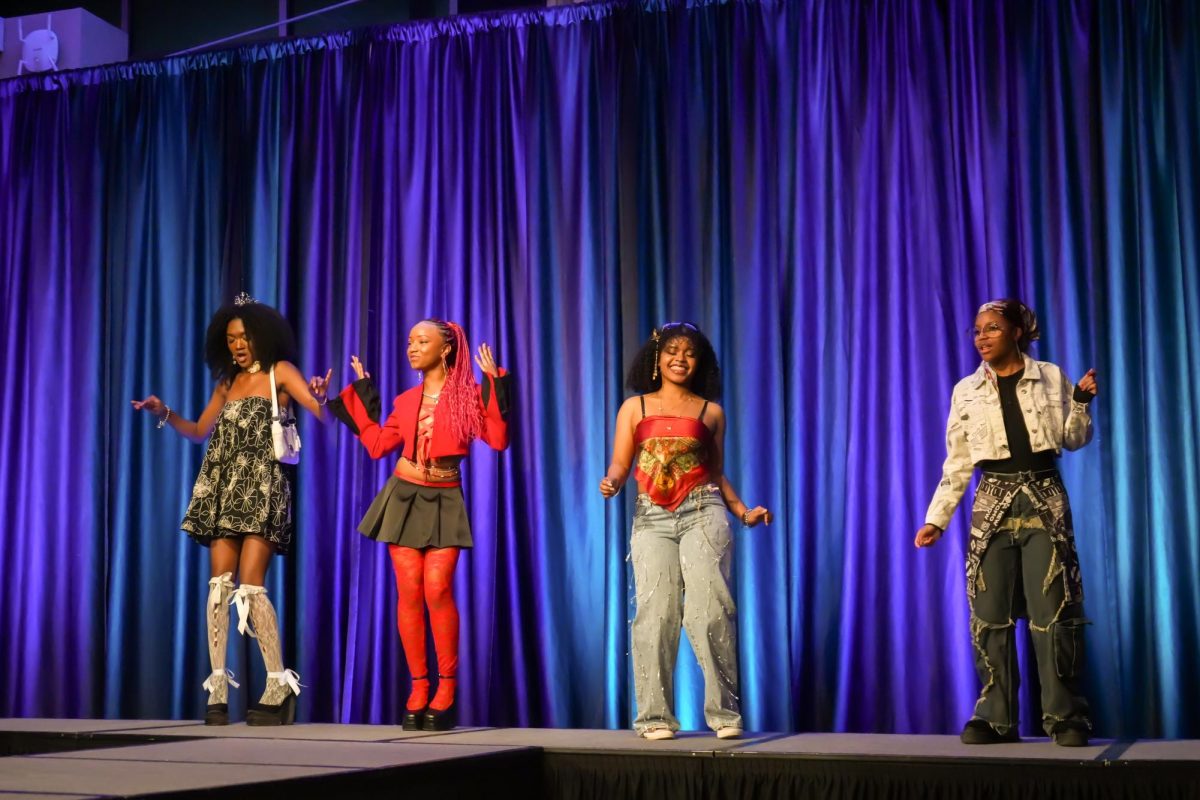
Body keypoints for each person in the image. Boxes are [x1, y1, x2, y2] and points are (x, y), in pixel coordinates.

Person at [132, 293, 332, 726]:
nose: (238, 346)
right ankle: (218, 686)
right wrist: (163, 411)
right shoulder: (226, 384)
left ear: (261, 337)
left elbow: (322, 413)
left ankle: (278, 683)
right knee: (218, 587)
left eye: (244, 337)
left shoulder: (281, 373)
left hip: (261, 487)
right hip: (223, 486)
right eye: (230, 339)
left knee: (251, 586)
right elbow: (200, 431)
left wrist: (322, 396)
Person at [915, 299, 1098, 747]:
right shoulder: (966, 391)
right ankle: (996, 717)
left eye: (992, 328)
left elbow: (1073, 441)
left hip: (1043, 498)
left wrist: (1080, 404)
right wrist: (936, 520)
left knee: (1053, 611)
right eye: (977, 330)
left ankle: (1065, 716)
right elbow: (957, 463)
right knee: (990, 614)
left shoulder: (1049, 376)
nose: (982, 337)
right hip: (992, 500)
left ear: (1017, 331)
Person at [328, 319, 510, 731]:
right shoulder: (406, 400)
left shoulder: (467, 398)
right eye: (409, 341)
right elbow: (377, 445)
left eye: (421, 341)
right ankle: (419, 684)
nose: (411, 348)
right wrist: (362, 393)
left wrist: (495, 383)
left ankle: (446, 685)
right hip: (404, 495)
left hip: (445, 496)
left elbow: (498, 440)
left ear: (445, 349)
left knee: (438, 588)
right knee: (409, 591)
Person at [599, 322, 771, 740]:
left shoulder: (710, 412)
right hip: (651, 517)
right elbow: (622, 461)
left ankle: (725, 715)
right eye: (672, 351)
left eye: (689, 352)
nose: (680, 358)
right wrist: (613, 480)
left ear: (700, 363)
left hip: (703, 510)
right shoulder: (634, 407)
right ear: (656, 358)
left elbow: (715, 472)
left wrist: (743, 510)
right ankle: (655, 718)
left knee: (711, 609)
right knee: (655, 616)